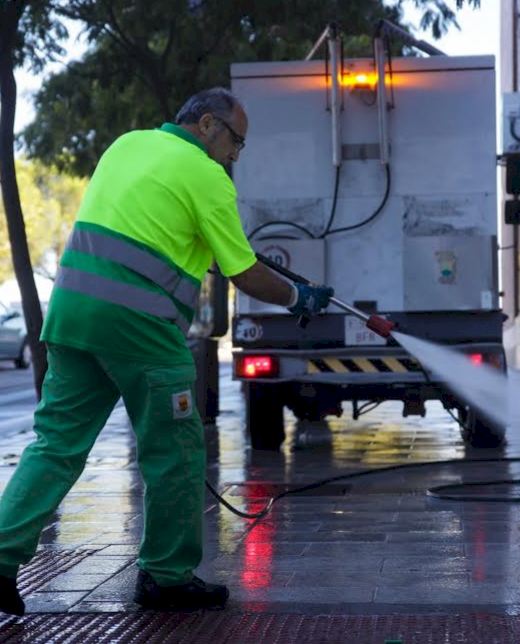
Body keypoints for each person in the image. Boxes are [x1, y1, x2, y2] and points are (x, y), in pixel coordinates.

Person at [0, 87, 332, 615]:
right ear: (207, 124)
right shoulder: (208, 177)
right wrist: (297, 297)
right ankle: (166, 577)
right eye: (236, 141)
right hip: (140, 327)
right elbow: (244, 272)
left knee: (55, 447)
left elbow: (148, 228)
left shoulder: (126, 145)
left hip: (72, 316)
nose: (235, 155)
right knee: (174, 451)